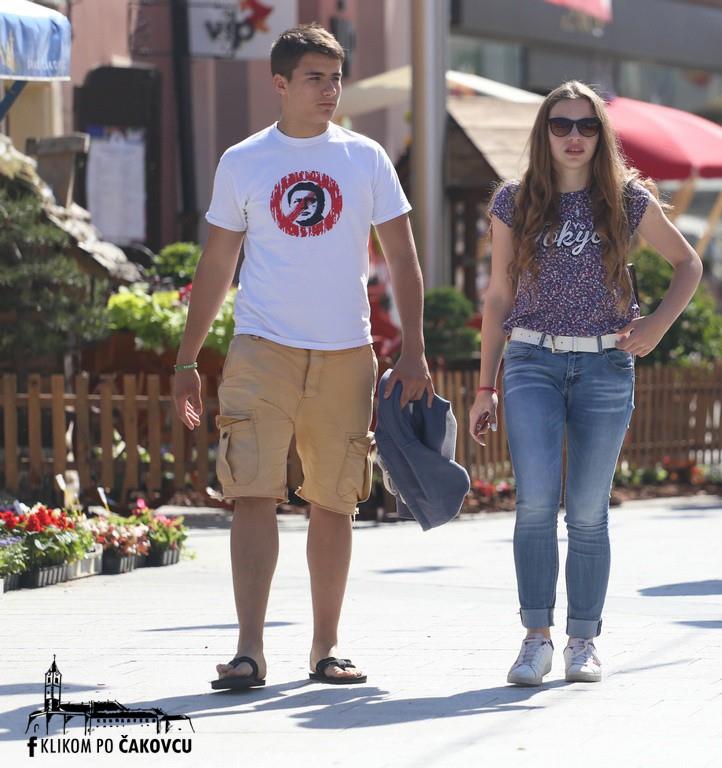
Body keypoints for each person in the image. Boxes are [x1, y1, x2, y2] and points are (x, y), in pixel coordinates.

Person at [173, 23, 433, 690]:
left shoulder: (367, 158)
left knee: (335, 500)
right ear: (280, 83)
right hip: (262, 348)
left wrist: (414, 350)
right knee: (252, 491)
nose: (329, 90)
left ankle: (326, 647)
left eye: (336, 78)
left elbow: (403, 258)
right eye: (315, 78)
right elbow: (217, 263)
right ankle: (249, 651)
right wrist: (186, 360)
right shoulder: (244, 160)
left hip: (347, 352)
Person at [469, 80, 702, 686]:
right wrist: (484, 387)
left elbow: (688, 263)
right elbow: (498, 296)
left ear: (602, 134)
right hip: (531, 362)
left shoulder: (627, 199)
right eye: (561, 125)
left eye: (587, 125)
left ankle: (583, 641)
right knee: (535, 503)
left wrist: (656, 325)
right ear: (543, 132)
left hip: (605, 366)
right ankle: (536, 639)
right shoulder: (514, 201)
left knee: (589, 511)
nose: (574, 137)